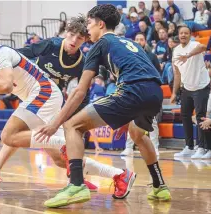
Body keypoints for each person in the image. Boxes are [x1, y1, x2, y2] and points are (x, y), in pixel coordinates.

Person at [0, 22, 133, 198]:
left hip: (44, 93)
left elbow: (4, 86)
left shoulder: (2, 54)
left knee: (8, 135)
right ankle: (119, 174)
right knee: (61, 160)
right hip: (42, 97)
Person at [36, 4, 171, 208]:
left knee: (72, 126)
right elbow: (145, 73)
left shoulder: (99, 44)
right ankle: (160, 185)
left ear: (100, 24)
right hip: (155, 92)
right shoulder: (127, 41)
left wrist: (55, 123)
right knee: (137, 136)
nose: (87, 29)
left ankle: (76, 185)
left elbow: (80, 91)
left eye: (89, 24)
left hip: (132, 89)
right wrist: (127, 114)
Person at [171, 26, 211, 159]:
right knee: (185, 116)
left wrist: (188, 55)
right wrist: (173, 92)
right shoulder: (176, 50)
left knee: (200, 116)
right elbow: (177, 73)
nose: (183, 35)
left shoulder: (195, 44)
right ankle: (189, 146)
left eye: (186, 33)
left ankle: (201, 147)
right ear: (178, 35)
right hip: (186, 87)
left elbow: (204, 47)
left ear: (190, 35)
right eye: (181, 33)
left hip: (201, 86)